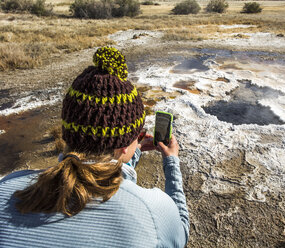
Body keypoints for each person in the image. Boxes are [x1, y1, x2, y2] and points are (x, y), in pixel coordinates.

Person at [0, 47, 189, 248]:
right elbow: (180, 231)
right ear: (125, 144)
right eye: (137, 135)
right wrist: (171, 162)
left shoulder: (8, 187)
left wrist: (133, 152)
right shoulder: (154, 211)